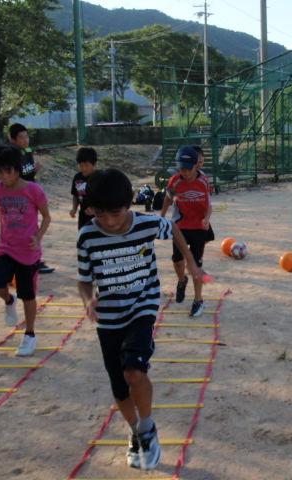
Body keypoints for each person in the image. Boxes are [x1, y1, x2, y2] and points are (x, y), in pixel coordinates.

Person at [77, 168, 202, 471]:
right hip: (109, 317)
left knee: (134, 371)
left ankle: (147, 430)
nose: (110, 221)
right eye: (101, 214)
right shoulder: (88, 236)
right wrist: (88, 300)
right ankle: (135, 431)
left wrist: (190, 262)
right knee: (120, 386)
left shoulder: (146, 224)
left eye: (116, 213)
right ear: (92, 209)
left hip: (141, 306)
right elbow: (84, 279)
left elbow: (173, 229)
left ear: (130, 202)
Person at [0, 145, 51, 357]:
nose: (3, 176)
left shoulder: (33, 190)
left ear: (16, 169)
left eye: (7, 171)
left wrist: (38, 237)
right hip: (5, 247)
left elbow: (47, 217)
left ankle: (30, 335)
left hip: (28, 251)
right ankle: (9, 300)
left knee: (28, 294)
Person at [160, 146, 212, 316]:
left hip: (198, 228)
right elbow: (168, 199)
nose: (185, 172)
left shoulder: (204, 182)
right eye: (181, 169)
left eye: (188, 169)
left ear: (196, 165)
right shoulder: (175, 181)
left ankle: (198, 301)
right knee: (177, 260)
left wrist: (206, 219)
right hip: (179, 227)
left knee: (196, 265)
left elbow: (209, 206)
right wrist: (161, 217)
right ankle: (182, 281)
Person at [9, 123, 55, 274]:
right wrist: (32, 170)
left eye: (26, 137)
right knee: (26, 228)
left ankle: (25, 259)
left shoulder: (28, 151)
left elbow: (27, 173)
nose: (25, 140)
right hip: (20, 196)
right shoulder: (12, 154)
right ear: (12, 139)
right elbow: (16, 176)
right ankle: (33, 261)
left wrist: (34, 171)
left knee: (27, 227)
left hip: (30, 193)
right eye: (21, 138)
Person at [69, 146, 97, 230]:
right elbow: (76, 195)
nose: (83, 168)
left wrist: (95, 210)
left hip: (99, 218)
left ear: (94, 164)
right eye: (81, 165)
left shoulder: (100, 178)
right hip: (83, 218)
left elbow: (107, 199)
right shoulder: (77, 178)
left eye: (86, 165)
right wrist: (74, 209)